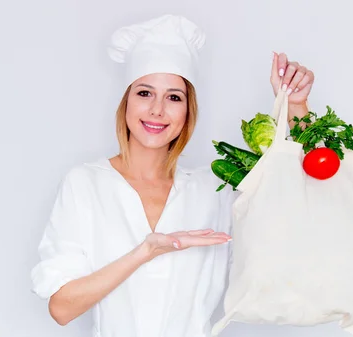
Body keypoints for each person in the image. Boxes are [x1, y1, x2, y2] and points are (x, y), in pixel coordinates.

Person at [31, 14, 315, 337]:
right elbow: (61, 307)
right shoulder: (84, 185)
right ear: (126, 101)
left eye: (174, 97)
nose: (157, 110)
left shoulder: (216, 189)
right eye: (144, 93)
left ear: (187, 111)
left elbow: (296, 209)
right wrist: (145, 252)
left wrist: (296, 108)